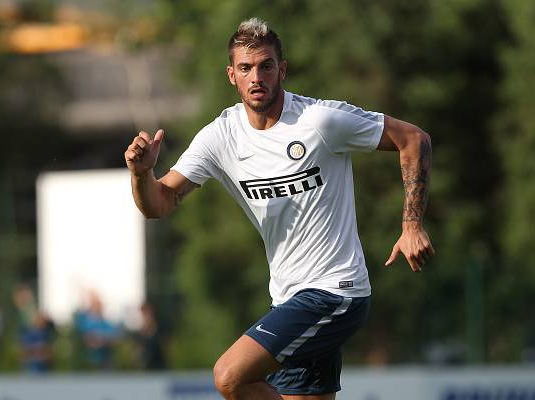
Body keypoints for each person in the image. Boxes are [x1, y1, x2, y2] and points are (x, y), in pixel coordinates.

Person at [125, 18, 434, 400]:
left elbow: (413, 139)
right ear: (231, 76)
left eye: (266, 66)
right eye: (245, 68)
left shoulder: (319, 121)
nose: (257, 77)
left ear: (281, 70)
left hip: (336, 292)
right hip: (288, 299)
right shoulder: (220, 137)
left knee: (229, 376)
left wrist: (411, 225)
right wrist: (141, 174)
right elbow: (159, 203)